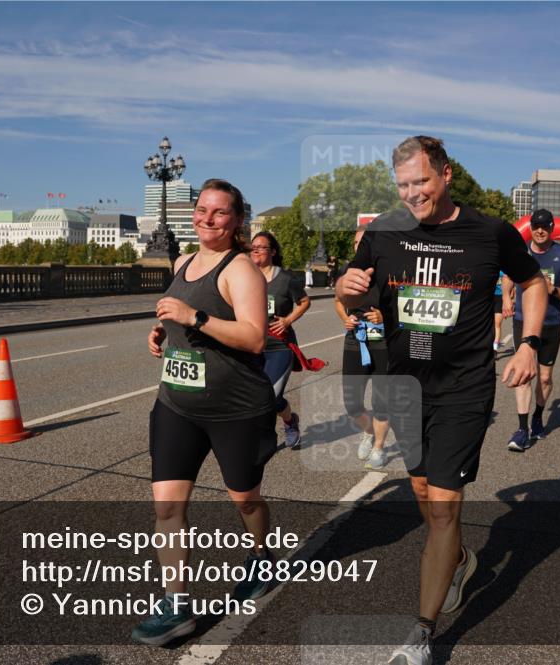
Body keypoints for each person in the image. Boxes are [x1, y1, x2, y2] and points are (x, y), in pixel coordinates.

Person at [336, 136, 547, 665]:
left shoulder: (491, 231)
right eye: (404, 184)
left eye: (422, 182)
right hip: (404, 386)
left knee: (446, 505)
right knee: (426, 495)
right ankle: (458, 560)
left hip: (463, 388)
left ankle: (422, 634)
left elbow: (534, 284)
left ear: (446, 175)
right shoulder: (382, 232)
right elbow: (351, 296)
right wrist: (346, 285)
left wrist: (528, 342)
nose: (413, 194)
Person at [135, 179, 277, 646]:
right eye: (201, 209)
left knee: (246, 500)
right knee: (168, 506)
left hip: (234, 408)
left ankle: (262, 556)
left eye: (219, 212)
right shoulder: (182, 261)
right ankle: (176, 606)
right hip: (177, 403)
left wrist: (193, 319)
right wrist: (163, 333)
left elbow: (255, 337)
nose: (207, 219)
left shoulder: (242, 271)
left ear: (237, 220)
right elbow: (176, 315)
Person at [502, 209, 560, 452]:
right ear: (531, 227)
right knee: (524, 374)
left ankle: (538, 416)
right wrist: (505, 298)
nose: (540, 230)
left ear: (552, 228)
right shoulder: (521, 250)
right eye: (536, 226)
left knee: (544, 377)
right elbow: (508, 277)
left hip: (552, 322)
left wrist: (551, 289)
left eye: (545, 226)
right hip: (524, 319)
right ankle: (522, 429)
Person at [334, 228, 390, 469]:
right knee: (352, 403)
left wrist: (384, 316)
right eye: (357, 242)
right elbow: (338, 301)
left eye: (364, 242)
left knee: (382, 401)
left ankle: (378, 448)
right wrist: (344, 319)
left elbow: (403, 302)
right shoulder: (347, 271)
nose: (360, 246)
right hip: (355, 339)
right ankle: (369, 432)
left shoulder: (388, 270)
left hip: (384, 342)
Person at [250, 231, 310, 449]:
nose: (255, 249)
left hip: (278, 347)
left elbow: (304, 302)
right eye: (253, 246)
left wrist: (288, 320)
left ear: (273, 252)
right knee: (253, 395)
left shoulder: (285, 280)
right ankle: (259, 436)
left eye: (261, 247)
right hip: (250, 346)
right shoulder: (244, 277)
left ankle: (290, 422)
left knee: (272, 396)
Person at [492, 270, 505, 352]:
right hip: (488, 296)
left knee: (497, 323)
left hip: (500, 297)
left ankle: (495, 348)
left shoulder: (504, 268)